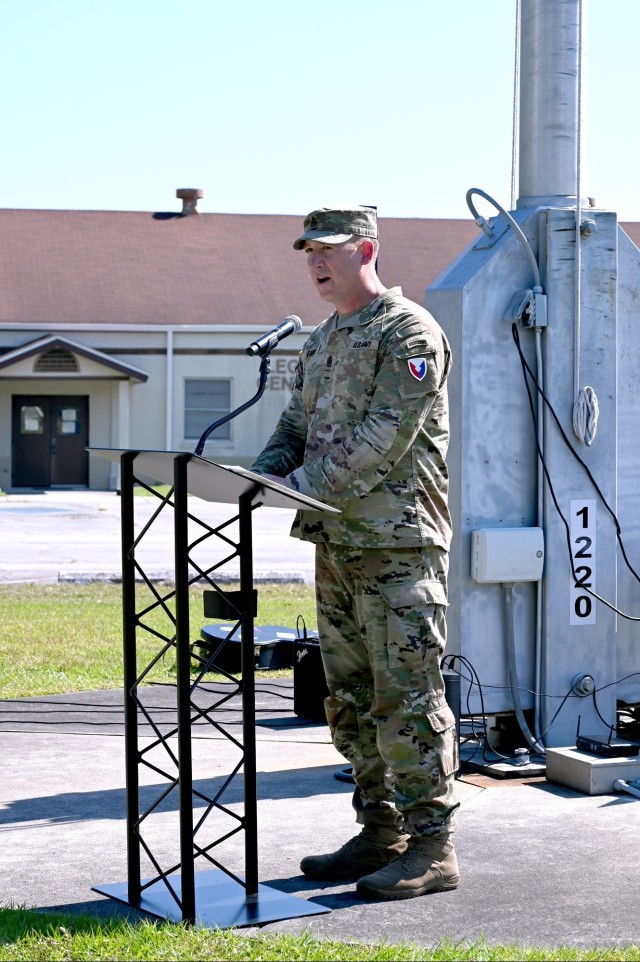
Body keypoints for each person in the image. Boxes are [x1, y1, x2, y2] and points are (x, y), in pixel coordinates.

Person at [251, 206, 459, 900]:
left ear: (365, 249)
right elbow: (294, 421)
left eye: (328, 250)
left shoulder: (408, 330)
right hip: (336, 542)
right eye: (307, 251)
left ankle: (433, 847)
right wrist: (266, 471)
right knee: (350, 700)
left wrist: (302, 485)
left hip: (397, 544)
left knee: (408, 699)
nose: (314, 262)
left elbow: (385, 434)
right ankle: (381, 832)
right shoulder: (322, 340)